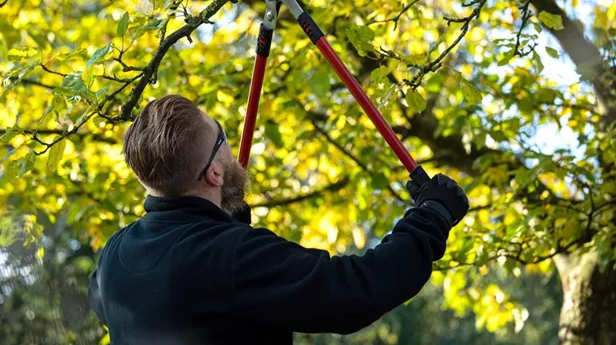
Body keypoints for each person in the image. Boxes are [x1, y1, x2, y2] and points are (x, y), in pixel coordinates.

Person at [88, 94, 469, 344]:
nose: (230, 147)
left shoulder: (114, 258)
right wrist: (430, 218)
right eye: (222, 138)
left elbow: (135, 297)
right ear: (214, 175)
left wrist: (220, 228)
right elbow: (353, 292)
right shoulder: (233, 256)